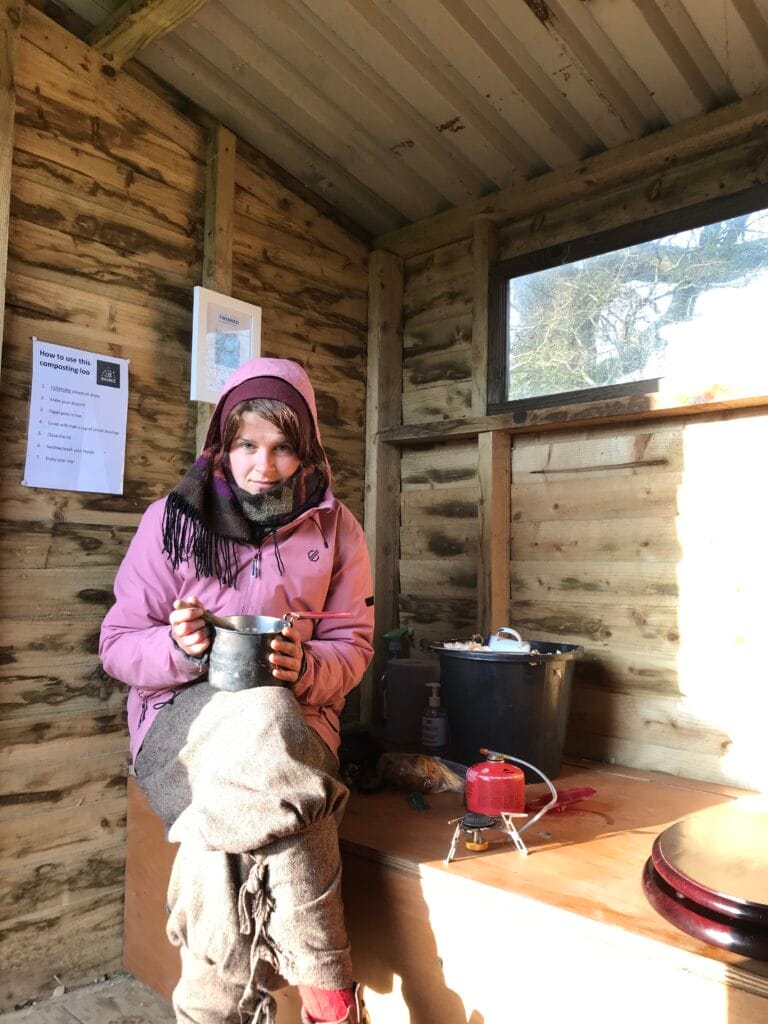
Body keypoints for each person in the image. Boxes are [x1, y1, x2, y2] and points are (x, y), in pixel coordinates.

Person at [100, 357, 375, 1024]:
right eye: (247, 445)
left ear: (306, 449)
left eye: (283, 448)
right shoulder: (174, 521)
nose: (264, 465)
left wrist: (305, 669)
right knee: (262, 732)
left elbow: (354, 648)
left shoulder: (336, 531)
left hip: (297, 729)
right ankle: (331, 998)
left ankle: (213, 1012)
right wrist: (179, 647)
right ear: (222, 445)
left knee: (222, 832)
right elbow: (117, 645)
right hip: (181, 731)